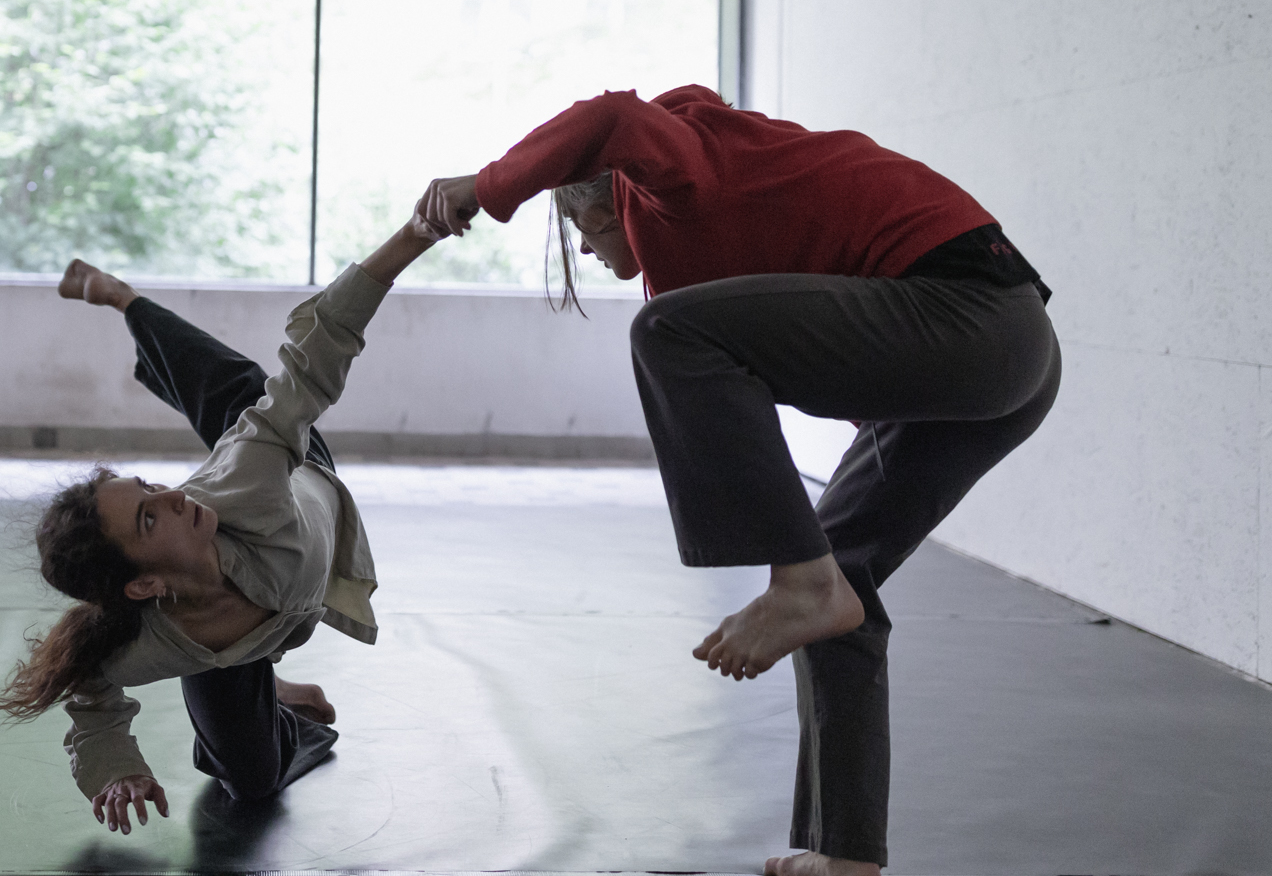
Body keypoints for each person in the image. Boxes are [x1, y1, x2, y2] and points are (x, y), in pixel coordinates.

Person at [417, 84, 1060, 876]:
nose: (583, 251)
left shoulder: (679, 171)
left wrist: (485, 187)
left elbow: (612, 117)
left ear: (612, 200)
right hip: (1001, 355)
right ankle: (846, 853)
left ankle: (801, 582)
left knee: (668, 334)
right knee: (840, 574)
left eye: (581, 227)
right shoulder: (694, 248)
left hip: (976, 319)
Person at [0, 214, 439, 835]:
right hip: (234, 650)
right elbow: (91, 699)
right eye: (147, 518)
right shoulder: (143, 641)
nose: (171, 495)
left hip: (289, 474)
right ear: (143, 586)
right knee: (251, 782)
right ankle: (272, 695)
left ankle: (125, 299)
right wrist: (117, 769)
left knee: (230, 389)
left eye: (148, 485)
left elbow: (316, 355)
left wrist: (414, 234)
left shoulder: (244, 480)